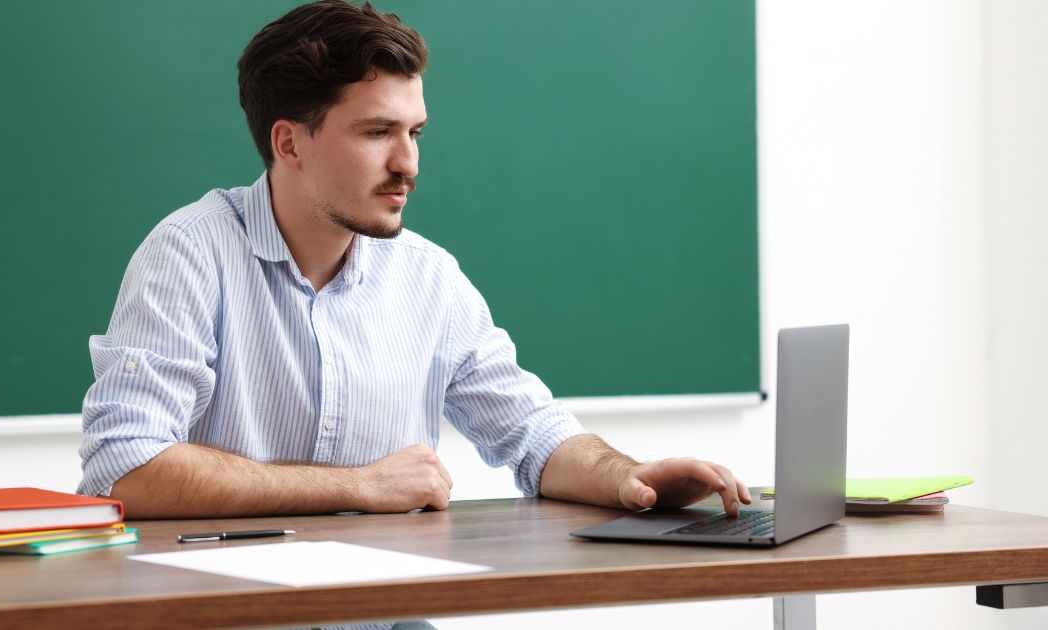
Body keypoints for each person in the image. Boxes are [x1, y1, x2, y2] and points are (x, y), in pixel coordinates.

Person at [78, 0, 750, 521]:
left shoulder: (427, 275)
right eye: (377, 133)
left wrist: (626, 475)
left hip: (383, 611)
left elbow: (531, 432)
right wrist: (359, 487)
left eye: (414, 132)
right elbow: (124, 469)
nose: (409, 165)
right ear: (289, 143)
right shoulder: (191, 254)